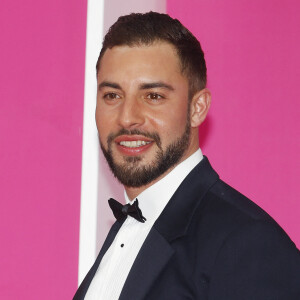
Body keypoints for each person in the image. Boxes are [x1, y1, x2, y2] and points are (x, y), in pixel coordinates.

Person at [73, 12, 300, 300]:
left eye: (153, 96)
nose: (127, 117)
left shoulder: (248, 244)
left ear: (197, 108)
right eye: (112, 96)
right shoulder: (125, 233)